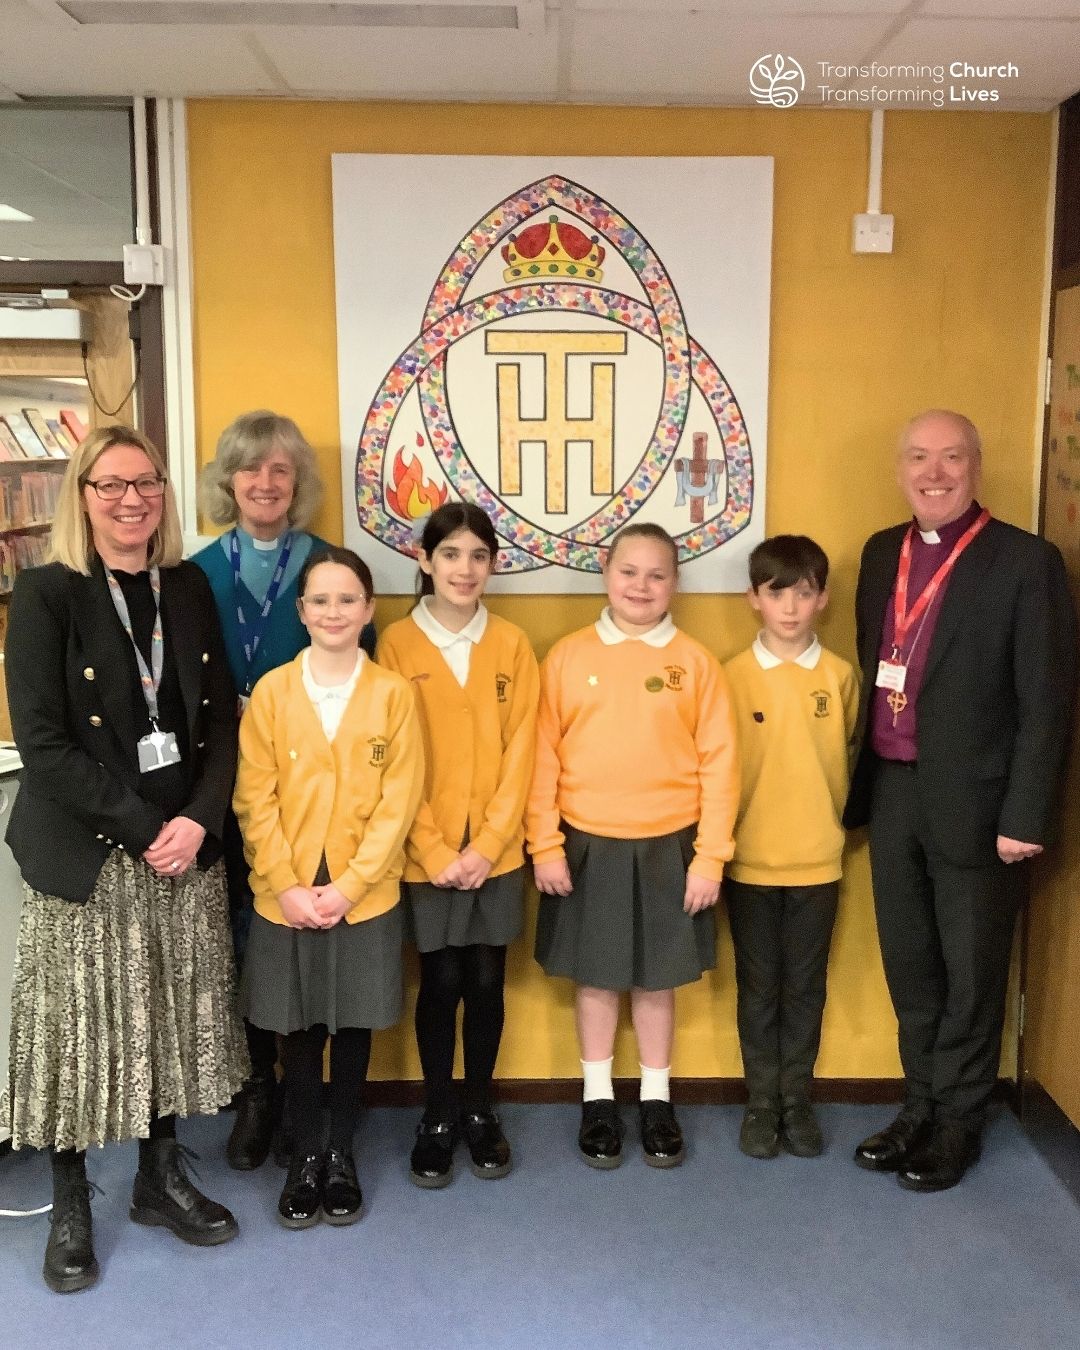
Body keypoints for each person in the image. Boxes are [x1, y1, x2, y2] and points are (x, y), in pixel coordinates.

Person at [2, 425, 248, 1294]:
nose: (131, 499)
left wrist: (199, 819)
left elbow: (220, 716)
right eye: (110, 486)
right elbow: (43, 744)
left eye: (145, 483)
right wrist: (147, 828)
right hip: (87, 852)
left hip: (180, 845)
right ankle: (71, 1199)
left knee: (165, 1018)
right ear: (83, 496)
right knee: (76, 1030)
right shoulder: (45, 594)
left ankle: (159, 1175)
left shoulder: (185, 587)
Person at [844, 409, 1077, 1192]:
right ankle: (919, 1105)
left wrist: (1025, 816)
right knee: (912, 968)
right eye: (918, 456)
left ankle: (958, 1123)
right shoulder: (882, 553)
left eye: (950, 457)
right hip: (895, 789)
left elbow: (1047, 701)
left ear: (977, 466)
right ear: (900, 467)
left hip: (982, 808)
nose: (933, 471)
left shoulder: (1026, 561)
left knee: (973, 975)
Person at [193, 410, 375, 1170]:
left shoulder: (328, 566)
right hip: (216, 776)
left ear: (297, 484)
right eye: (250, 469)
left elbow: (360, 678)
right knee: (241, 936)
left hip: (311, 788)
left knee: (302, 921)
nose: (265, 483)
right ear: (227, 482)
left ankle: (315, 1105)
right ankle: (258, 1090)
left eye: (280, 471)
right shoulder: (196, 569)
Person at [527, 522, 739, 1169]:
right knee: (596, 976)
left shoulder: (696, 664)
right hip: (586, 842)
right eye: (629, 572)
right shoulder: (567, 656)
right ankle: (596, 1099)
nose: (641, 586)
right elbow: (542, 758)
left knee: (654, 980)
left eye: (656, 574)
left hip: (669, 846)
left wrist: (710, 856)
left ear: (674, 582)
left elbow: (721, 766)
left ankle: (655, 1097)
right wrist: (544, 842)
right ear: (606, 575)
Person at [232, 546, 424, 1228]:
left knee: (350, 1024)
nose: (335, 611)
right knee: (299, 1028)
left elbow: (400, 802)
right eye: (321, 600)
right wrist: (286, 884)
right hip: (285, 891)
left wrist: (349, 886)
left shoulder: (394, 695)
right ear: (303, 611)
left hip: (361, 892)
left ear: (369, 610)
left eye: (349, 600)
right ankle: (304, 1154)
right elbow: (254, 798)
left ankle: (341, 1152)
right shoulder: (275, 694)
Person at [378, 503, 539, 1188]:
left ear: (494, 564)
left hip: (496, 854)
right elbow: (389, 760)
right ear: (424, 560)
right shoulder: (394, 645)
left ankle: (480, 1109)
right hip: (427, 855)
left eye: (478, 556)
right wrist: (438, 849)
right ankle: (437, 1114)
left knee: (486, 980)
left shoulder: (511, 645)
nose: (464, 569)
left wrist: (491, 842)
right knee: (440, 982)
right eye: (450, 555)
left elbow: (523, 752)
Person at [723, 535, 858, 1160]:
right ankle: (761, 1103)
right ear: (754, 598)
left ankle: (796, 1101)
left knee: (806, 987)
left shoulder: (840, 676)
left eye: (805, 593)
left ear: (823, 599)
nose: (791, 606)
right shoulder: (729, 678)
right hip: (748, 862)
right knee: (759, 987)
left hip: (818, 861)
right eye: (777, 592)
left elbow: (854, 758)